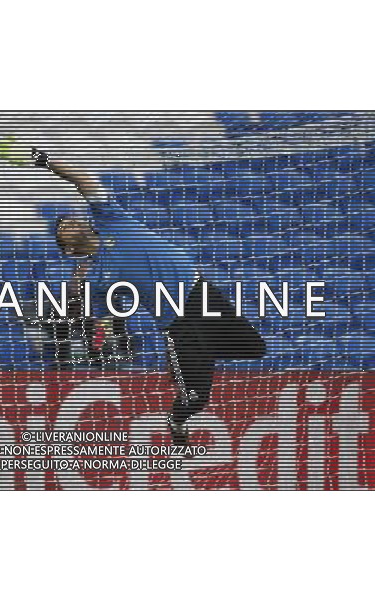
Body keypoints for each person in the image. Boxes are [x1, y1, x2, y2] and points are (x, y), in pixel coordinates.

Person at [31, 148, 266, 445]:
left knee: (255, 348)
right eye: (62, 229)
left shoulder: (111, 220)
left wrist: (48, 162)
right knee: (195, 398)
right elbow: (104, 317)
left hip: (202, 295)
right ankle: (177, 420)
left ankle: (189, 361)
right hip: (179, 324)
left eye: (70, 221)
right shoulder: (96, 277)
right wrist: (96, 333)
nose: (69, 224)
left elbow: (83, 180)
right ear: (67, 250)